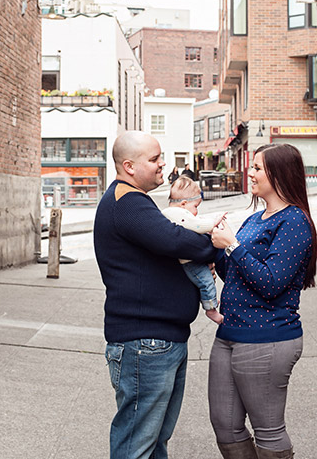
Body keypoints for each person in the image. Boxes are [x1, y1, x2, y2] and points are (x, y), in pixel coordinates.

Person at [93, 131, 216, 459]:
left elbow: (169, 245)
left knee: (153, 441)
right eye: (155, 159)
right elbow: (174, 239)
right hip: (144, 343)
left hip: (157, 340)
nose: (163, 165)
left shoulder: (132, 200)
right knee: (138, 445)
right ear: (129, 166)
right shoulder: (127, 201)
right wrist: (212, 247)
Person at [209, 143, 317, 459]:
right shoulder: (255, 218)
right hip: (230, 334)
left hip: (267, 337)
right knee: (225, 425)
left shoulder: (294, 221)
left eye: (257, 168)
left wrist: (232, 245)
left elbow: (271, 282)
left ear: (279, 173)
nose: (250, 172)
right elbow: (234, 273)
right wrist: (217, 246)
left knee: (268, 430)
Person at [163, 176, 224, 325]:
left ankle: (208, 298)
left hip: (187, 259)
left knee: (203, 281)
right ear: (184, 204)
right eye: (196, 206)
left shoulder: (169, 213)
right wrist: (213, 223)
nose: (196, 211)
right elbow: (197, 226)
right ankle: (211, 309)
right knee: (207, 281)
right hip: (190, 261)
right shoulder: (179, 214)